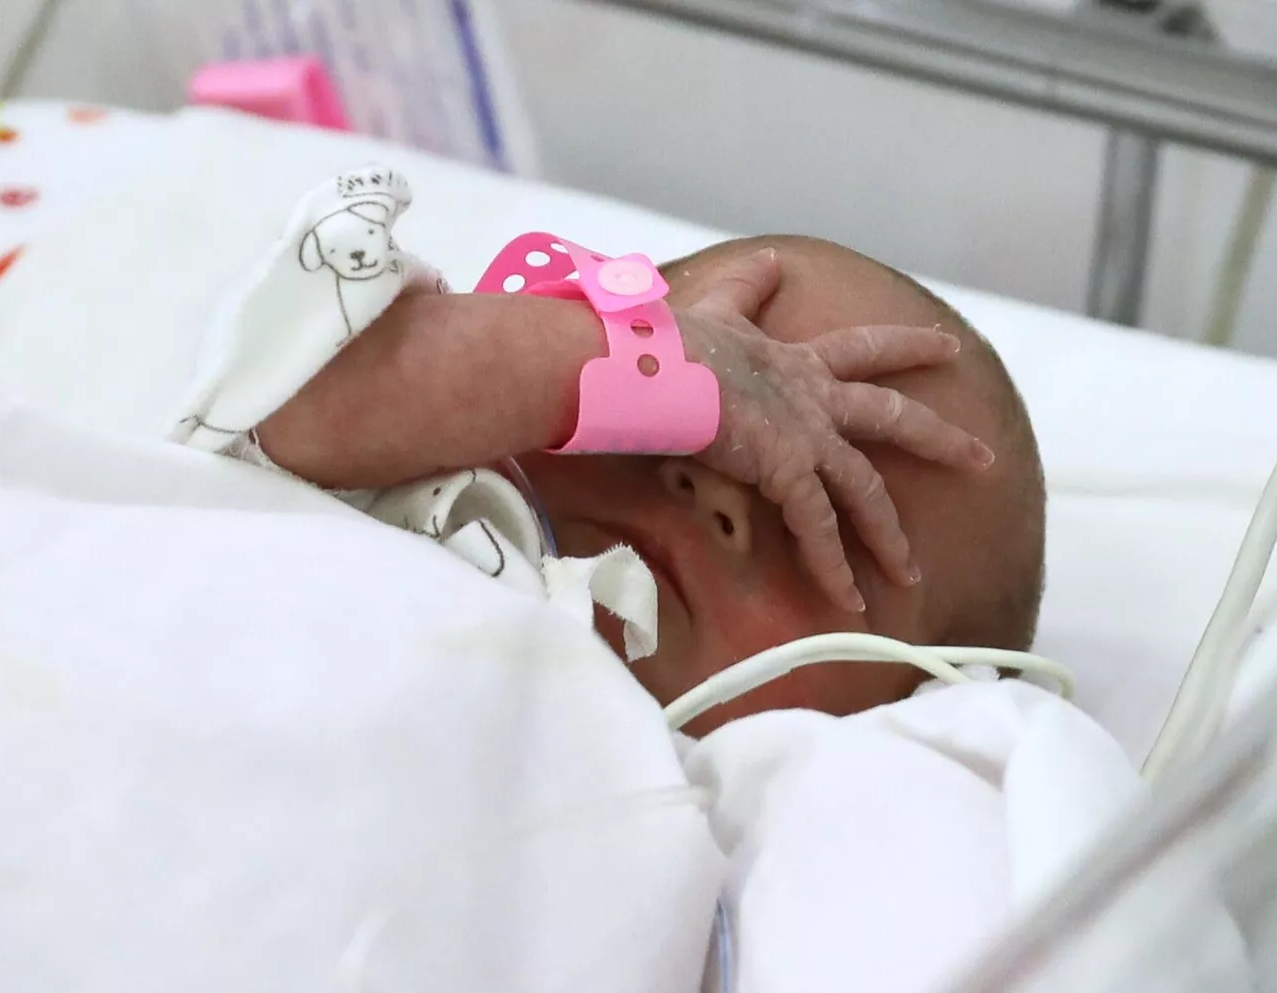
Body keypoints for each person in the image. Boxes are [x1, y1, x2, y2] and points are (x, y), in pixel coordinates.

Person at [256, 234, 1045, 734]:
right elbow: (289, 395)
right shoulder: (405, 476)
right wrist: (639, 365)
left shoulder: (757, 819)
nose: (717, 482)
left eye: (827, 517)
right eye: (688, 379)